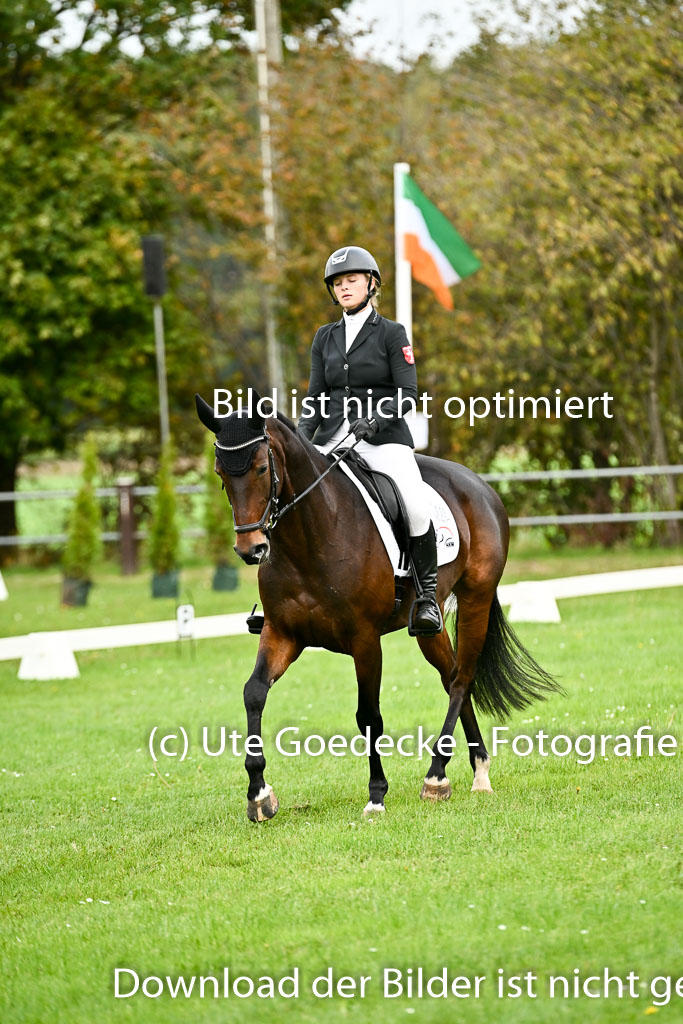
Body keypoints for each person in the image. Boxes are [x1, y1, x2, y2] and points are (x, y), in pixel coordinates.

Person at [298, 245, 443, 636]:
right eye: (338, 283)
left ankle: (427, 597)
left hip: (384, 440)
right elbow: (315, 397)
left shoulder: (392, 333)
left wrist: (375, 421)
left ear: (371, 284)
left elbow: (408, 393)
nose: (344, 288)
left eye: (352, 280)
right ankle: (285, 596)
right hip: (333, 438)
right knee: (291, 495)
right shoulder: (324, 337)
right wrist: (300, 438)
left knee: (414, 504)